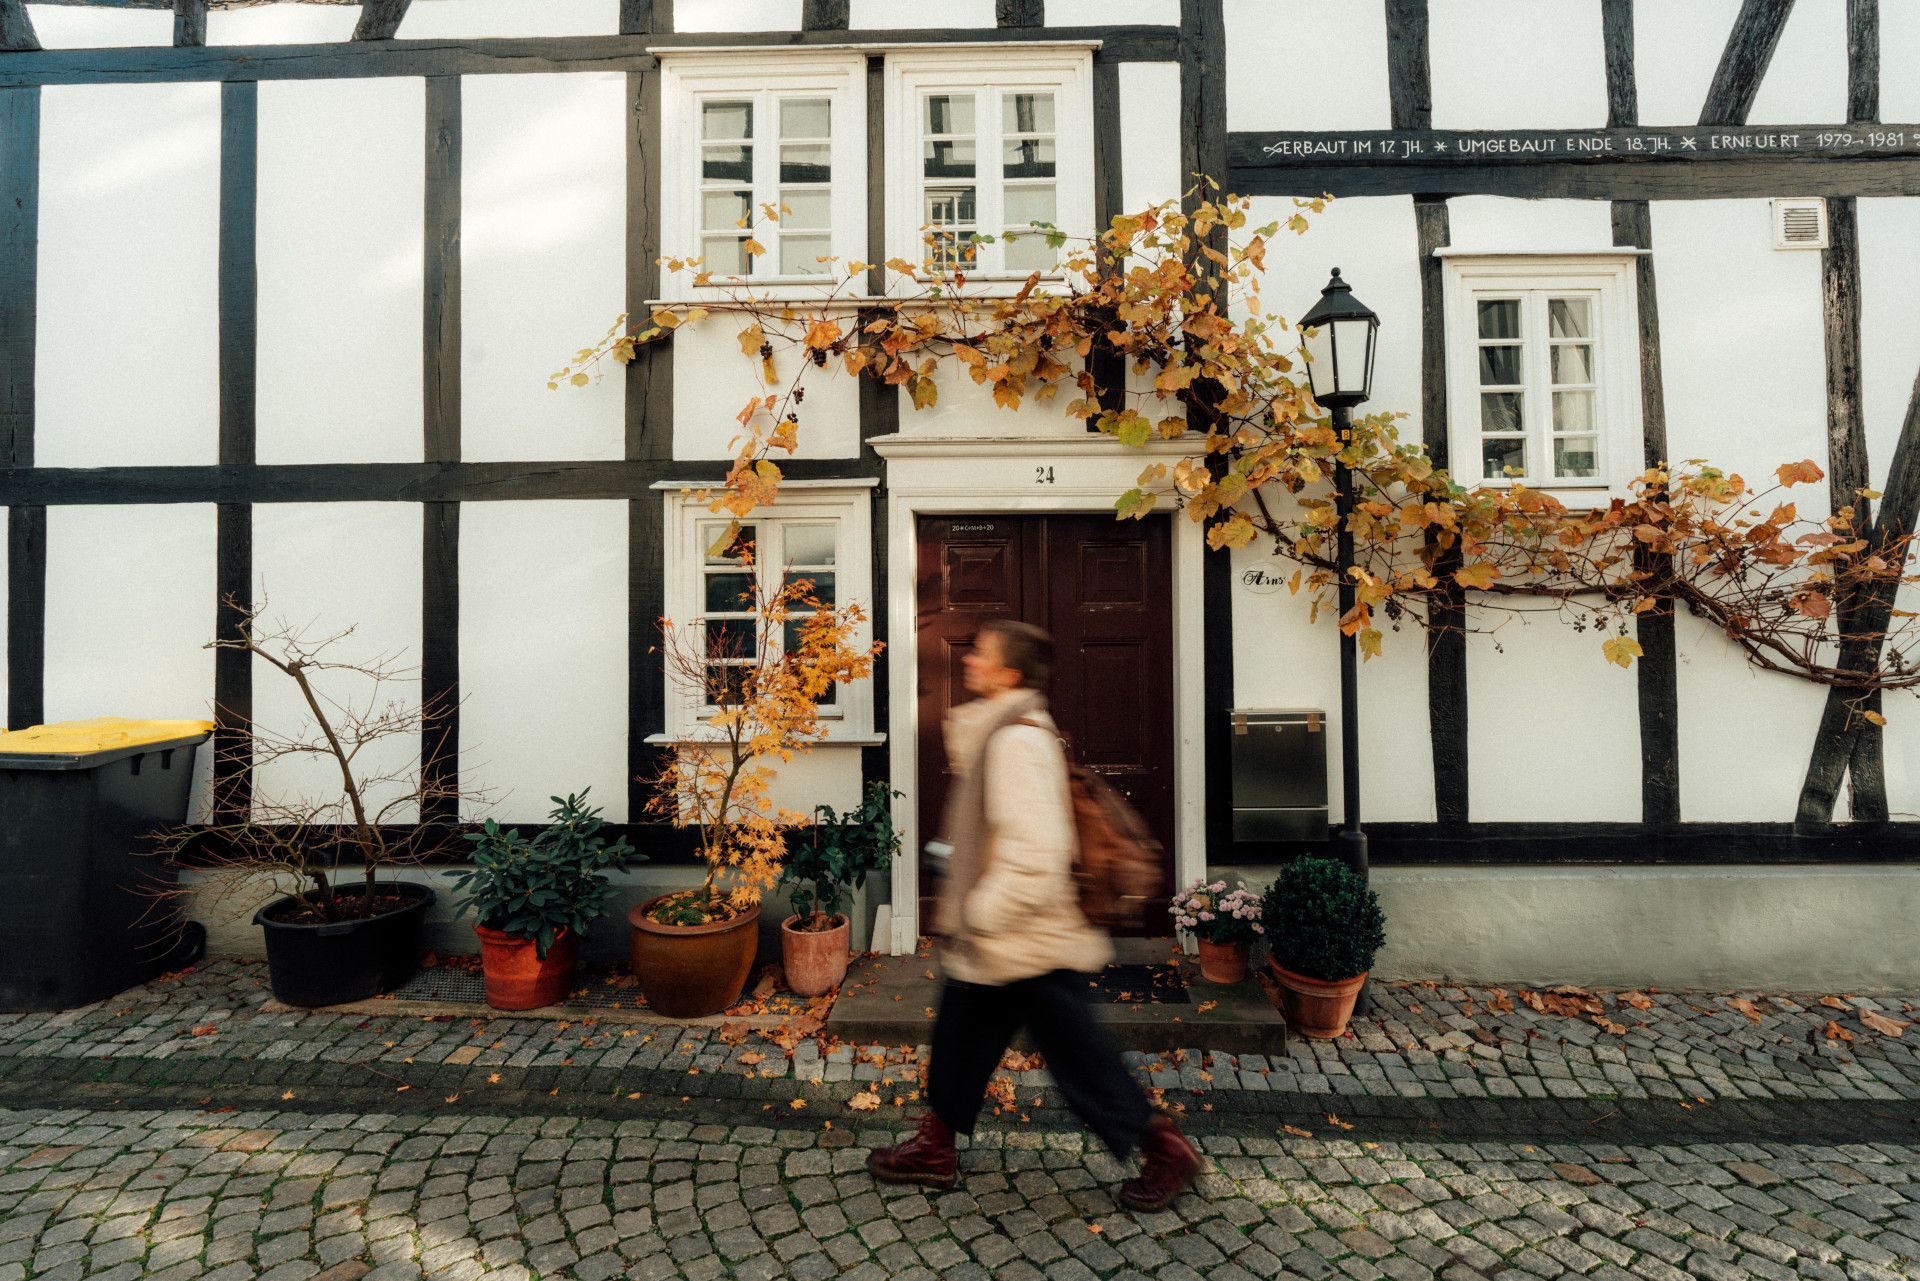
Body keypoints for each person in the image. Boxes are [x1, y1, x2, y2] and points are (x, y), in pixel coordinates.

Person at [865, 618, 1203, 1211]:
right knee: (959, 1040)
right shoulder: (997, 731)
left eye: (982, 653)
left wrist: (980, 911)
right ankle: (935, 1146)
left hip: (1024, 939)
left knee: (1081, 1061)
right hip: (998, 941)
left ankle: (1165, 1150)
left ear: (1010, 672)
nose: (968, 660)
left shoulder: (1017, 742)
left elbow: (1037, 855)